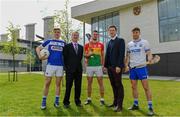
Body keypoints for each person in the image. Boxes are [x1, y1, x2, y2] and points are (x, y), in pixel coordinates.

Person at [124, 27, 154, 116]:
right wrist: (126, 65)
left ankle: (150, 107)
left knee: (146, 88)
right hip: (133, 69)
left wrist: (150, 59)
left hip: (142, 68)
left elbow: (149, 53)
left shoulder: (144, 42)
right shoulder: (129, 44)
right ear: (132, 33)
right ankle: (136, 104)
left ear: (139, 33)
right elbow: (128, 56)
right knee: (133, 87)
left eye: (137, 32)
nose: (135, 34)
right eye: (134, 32)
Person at [36, 28, 65, 110]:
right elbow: (38, 48)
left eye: (58, 32)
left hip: (60, 66)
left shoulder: (63, 43)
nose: (57, 33)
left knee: (58, 84)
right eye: (55, 32)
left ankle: (56, 101)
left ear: (60, 34)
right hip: (50, 65)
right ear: (53, 33)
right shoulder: (49, 41)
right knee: (47, 83)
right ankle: (44, 101)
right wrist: (40, 56)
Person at [104, 25, 125, 112]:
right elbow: (107, 55)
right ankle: (115, 102)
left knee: (118, 85)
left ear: (116, 31)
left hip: (117, 68)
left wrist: (119, 66)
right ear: (108, 32)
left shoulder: (120, 41)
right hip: (110, 68)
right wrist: (105, 66)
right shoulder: (108, 43)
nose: (111, 32)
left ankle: (120, 106)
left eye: (113, 30)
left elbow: (121, 54)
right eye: (110, 30)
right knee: (113, 85)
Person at [63, 32, 83, 108]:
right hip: (69, 70)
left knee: (78, 86)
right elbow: (65, 58)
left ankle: (77, 101)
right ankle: (66, 102)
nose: (75, 36)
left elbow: (79, 58)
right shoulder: (67, 46)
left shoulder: (81, 47)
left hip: (78, 70)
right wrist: (66, 68)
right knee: (68, 86)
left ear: (78, 37)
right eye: (74, 35)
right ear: (71, 36)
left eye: (77, 35)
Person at [84, 30, 105, 105]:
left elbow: (103, 56)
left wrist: (103, 65)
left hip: (98, 66)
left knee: (100, 83)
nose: (95, 35)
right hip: (90, 66)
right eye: (94, 34)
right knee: (89, 83)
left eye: (96, 34)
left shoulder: (101, 45)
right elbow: (85, 56)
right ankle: (89, 99)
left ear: (98, 36)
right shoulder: (87, 45)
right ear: (92, 35)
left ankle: (102, 99)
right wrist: (89, 54)